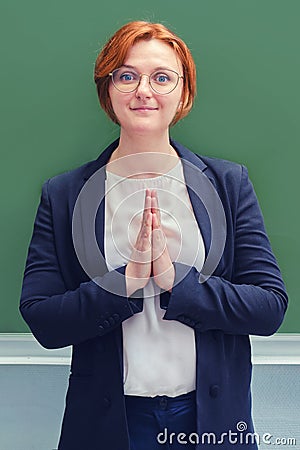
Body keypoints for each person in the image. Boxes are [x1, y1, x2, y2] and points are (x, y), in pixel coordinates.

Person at [20, 21, 288, 450]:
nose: (144, 90)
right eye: (127, 76)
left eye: (162, 77)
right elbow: (42, 319)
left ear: (183, 93)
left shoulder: (227, 183)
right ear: (108, 90)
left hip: (212, 421)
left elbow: (269, 307)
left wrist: (177, 282)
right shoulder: (66, 194)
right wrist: (123, 284)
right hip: (110, 423)